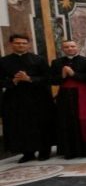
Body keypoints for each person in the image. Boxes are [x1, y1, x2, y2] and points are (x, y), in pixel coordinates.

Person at [1, 34, 53, 162]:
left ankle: (44, 151)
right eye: (18, 43)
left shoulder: (38, 59)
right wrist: (13, 81)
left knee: (41, 124)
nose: (21, 45)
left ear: (28, 45)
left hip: (38, 98)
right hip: (15, 99)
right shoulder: (3, 61)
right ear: (11, 44)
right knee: (20, 125)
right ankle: (27, 153)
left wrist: (29, 79)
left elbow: (48, 78)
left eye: (24, 43)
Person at [50, 39, 86, 158]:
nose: (70, 48)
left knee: (84, 121)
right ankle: (69, 151)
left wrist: (73, 74)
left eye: (72, 46)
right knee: (66, 122)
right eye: (66, 47)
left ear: (77, 47)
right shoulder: (56, 62)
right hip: (64, 96)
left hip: (83, 95)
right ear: (63, 49)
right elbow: (52, 80)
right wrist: (62, 75)